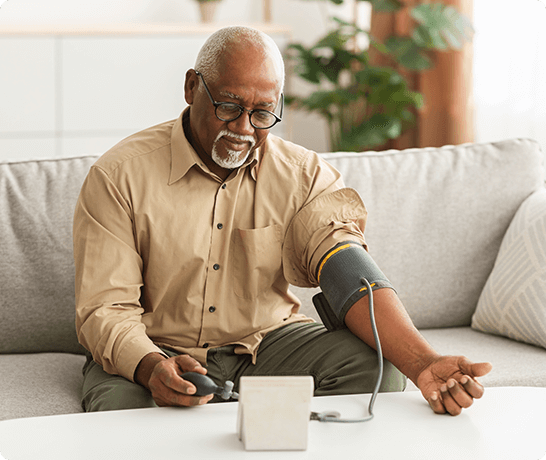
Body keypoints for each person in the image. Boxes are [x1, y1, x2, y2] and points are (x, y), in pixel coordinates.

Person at [73, 25, 492, 417]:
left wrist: (424, 362)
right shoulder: (119, 176)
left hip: (266, 344)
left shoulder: (305, 175)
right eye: (229, 106)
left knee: (375, 367)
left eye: (261, 113)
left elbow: (347, 271)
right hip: (155, 347)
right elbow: (105, 309)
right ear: (190, 87)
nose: (243, 127)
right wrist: (149, 367)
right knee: (121, 414)